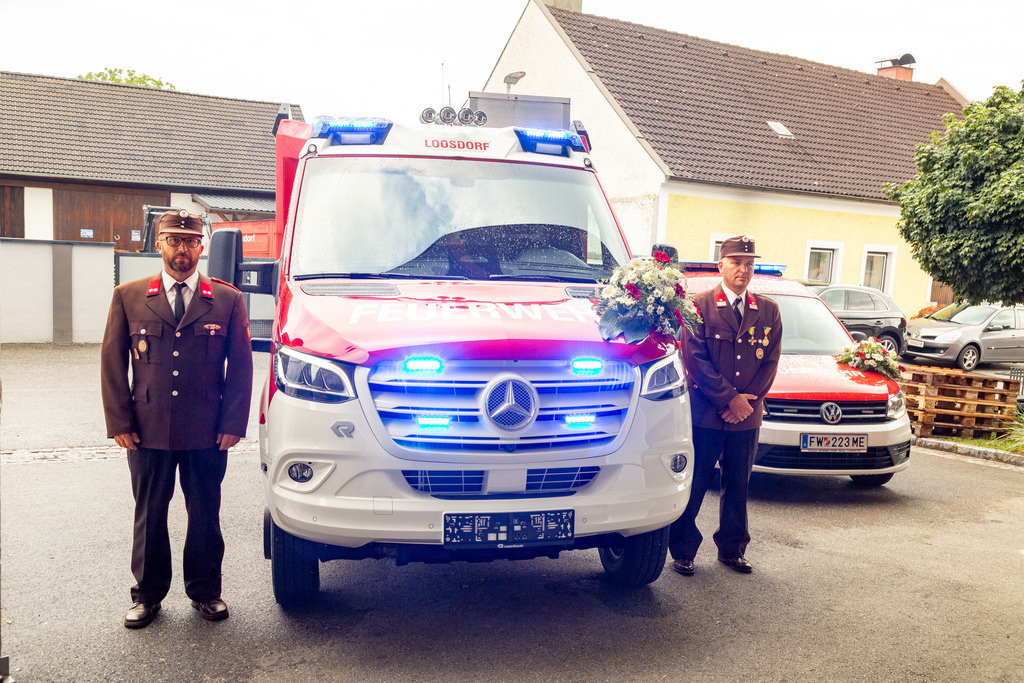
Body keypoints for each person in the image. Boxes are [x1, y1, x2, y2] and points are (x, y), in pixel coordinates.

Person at [101, 209, 253, 628]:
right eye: (173, 240)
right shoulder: (129, 296)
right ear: (160, 244)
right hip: (147, 429)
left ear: (201, 247)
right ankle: (147, 596)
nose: (181, 248)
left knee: (205, 511)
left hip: (207, 430)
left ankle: (206, 592)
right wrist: (120, 422)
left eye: (189, 241)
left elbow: (240, 367)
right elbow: (113, 363)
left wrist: (232, 423)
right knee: (150, 513)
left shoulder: (226, 299)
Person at [669, 235, 782, 575]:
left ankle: (732, 549)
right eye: (736, 263)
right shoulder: (699, 305)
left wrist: (745, 403)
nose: (743, 270)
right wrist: (728, 399)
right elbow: (695, 359)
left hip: (746, 417)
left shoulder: (768, 310)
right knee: (697, 481)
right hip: (706, 412)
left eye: (749, 264)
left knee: (738, 485)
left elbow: (771, 362)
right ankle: (684, 550)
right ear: (721, 265)